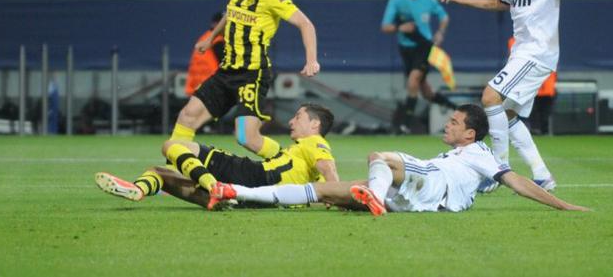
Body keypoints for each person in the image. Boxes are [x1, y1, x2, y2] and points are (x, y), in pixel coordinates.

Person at [120, 0, 320, 198]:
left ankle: (290, 160)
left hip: (252, 74)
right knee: (187, 115)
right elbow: (231, 13)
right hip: (227, 71)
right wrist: (211, 38)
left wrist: (311, 60)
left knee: (246, 138)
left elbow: (306, 24)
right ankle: (173, 175)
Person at [439, 0, 606, 192]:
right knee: (506, 114)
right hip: (522, 51)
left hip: (537, 51)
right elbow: (502, 2)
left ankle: (498, 170)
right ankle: (542, 175)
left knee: (490, 96)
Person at [213, 104, 589, 214]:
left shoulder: (477, 152)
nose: (447, 124)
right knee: (325, 191)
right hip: (421, 201)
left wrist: (563, 204)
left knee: (380, 157)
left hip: (432, 182)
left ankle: (374, 195)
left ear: (470, 134)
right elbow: (488, 184)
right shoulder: (465, 156)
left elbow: (515, 181)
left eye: (454, 122)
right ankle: (235, 192)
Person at [96, 104, 337, 210]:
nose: (291, 121)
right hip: (254, 196)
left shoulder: (314, 142)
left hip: (254, 176)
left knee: (172, 145)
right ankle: (139, 189)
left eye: (298, 116)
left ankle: (212, 184)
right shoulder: (292, 153)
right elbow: (250, 140)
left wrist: (338, 198)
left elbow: (329, 169)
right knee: (162, 173)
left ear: (314, 124)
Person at [382, 0, 456, 134]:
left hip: (424, 46)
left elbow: (444, 16)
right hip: (406, 48)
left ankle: (405, 126)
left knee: (413, 81)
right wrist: (400, 27)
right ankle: (455, 108)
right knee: (426, 92)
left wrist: (440, 33)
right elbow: (385, 26)